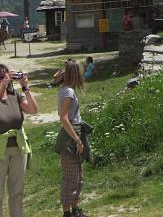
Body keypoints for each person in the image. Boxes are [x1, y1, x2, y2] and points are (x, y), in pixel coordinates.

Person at [0, 63, 39, 217]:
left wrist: (26, 88)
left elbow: (33, 109)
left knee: (17, 191)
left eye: (7, 77)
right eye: (1, 78)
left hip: (18, 148)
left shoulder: (16, 96)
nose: (5, 80)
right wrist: (2, 86)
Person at [56, 60, 91, 217]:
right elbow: (63, 118)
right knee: (70, 177)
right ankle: (67, 213)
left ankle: (76, 209)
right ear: (76, 74)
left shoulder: (64, 88)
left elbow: (55, 77)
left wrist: (63, 70)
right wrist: (77, 140)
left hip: (74, 133)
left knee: (78, 175)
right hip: (70, 137)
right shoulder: (68, 92)